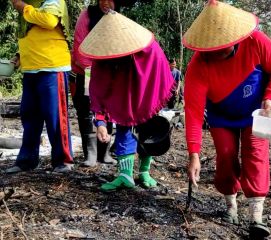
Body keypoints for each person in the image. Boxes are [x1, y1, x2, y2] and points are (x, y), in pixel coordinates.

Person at [183, 1, 271, 238]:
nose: (217, 52)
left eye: (223, 47)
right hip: (221, 115)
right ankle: (231, 205)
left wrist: (270, 97)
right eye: (211, 48)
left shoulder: (258, 42)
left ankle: (256, 216)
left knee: (255, 155)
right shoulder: (199, 65)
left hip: (256, 115)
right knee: (227, 154)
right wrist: (194, 154)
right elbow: (194, 111)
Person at [79, 11, 174, 190]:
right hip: (121, 95)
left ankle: (144, 171)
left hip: (148, 93)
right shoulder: (102, 58)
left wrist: (153, 106)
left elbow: (161, 78)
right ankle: (125, 175)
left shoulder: (150, 50)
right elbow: (98, 90)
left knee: (149, 129)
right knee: (124, 127)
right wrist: (100, 122)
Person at [6, 0, 73, 173]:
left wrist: (23, 8)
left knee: (55, 117)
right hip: (31, 68)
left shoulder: (52, 1)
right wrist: (19, 56)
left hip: (52, 66)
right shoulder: (32, 4)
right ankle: (26, 161)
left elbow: (49, 21)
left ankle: (63, 160)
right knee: (29, 116)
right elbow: (33, 34)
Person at [70, 0, 127, 167]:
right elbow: (79, 45)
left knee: (108, 109)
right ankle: (90, 154)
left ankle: (105, 152)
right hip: (84, 70)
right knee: (87, 110)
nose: (105, 3)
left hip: (109, 72)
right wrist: (92, 74)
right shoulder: (87, 15)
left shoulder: (119, 19)